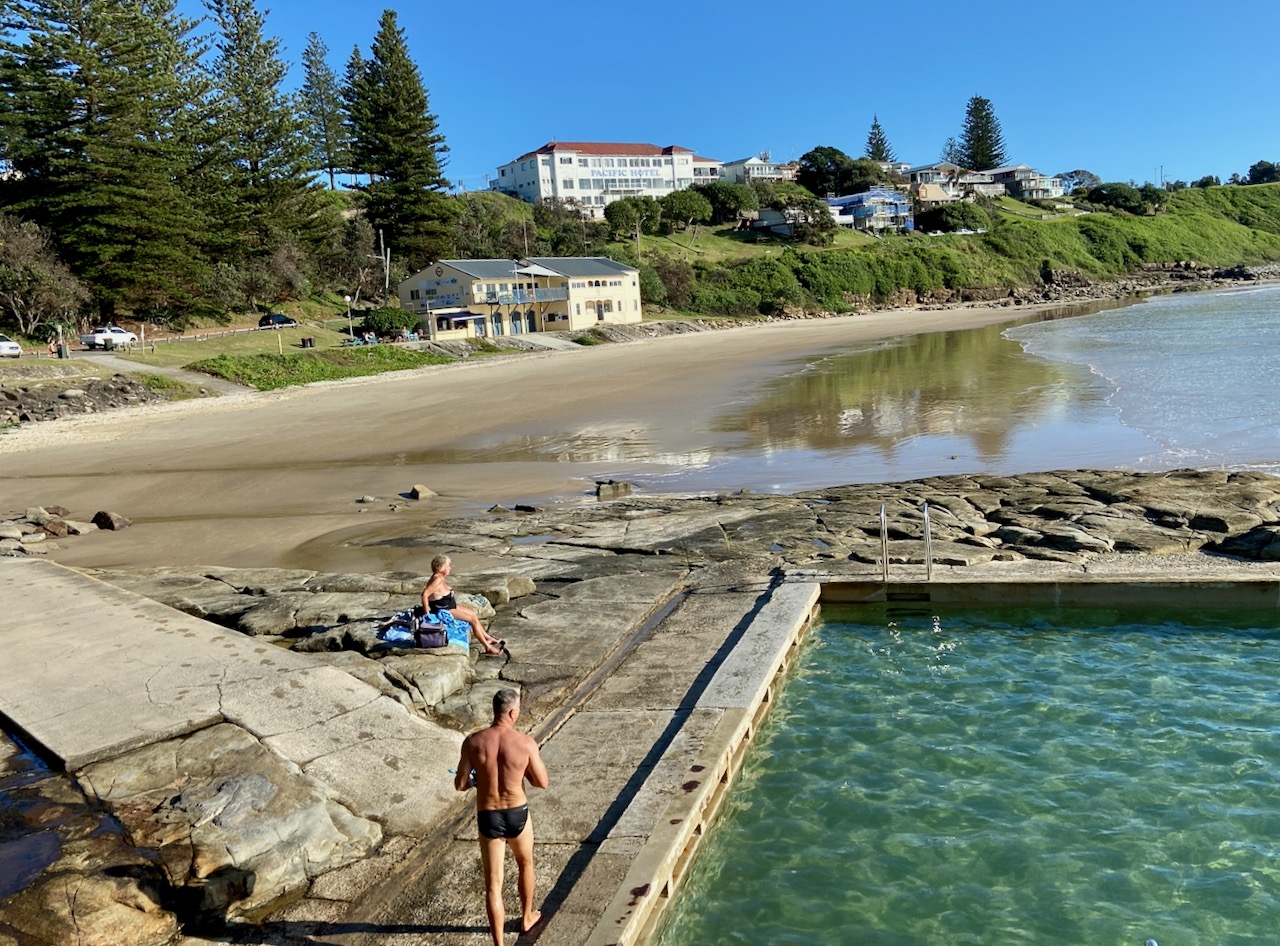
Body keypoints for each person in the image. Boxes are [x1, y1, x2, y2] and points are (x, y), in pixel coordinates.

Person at [456, 688, 549, 945]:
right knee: (525, 864)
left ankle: (499, 944)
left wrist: (476, 780)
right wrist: (523, 774)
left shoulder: (473, 742)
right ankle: (527, 917)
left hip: (488, 815)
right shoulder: (525, 743)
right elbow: (542, 782)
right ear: (512, 712)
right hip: (517, 812)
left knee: (493, 884)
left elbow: (460, 784)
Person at [423, 553, 504, 655]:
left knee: (473, 613)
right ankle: (487, 647)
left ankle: (487, 637)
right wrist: (427, 614)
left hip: (450, 605)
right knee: (472, 620)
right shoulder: (437, 579)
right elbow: (424, 594)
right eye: (448, 566)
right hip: (445, 610)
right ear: (442, 568)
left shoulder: (439, 577)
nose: (450, 568)